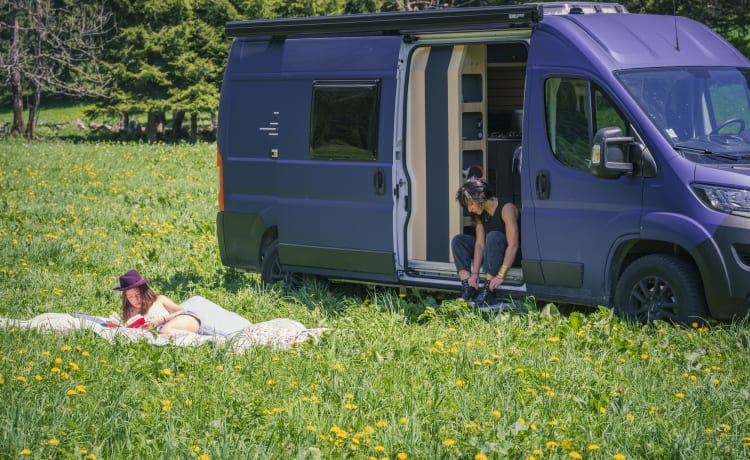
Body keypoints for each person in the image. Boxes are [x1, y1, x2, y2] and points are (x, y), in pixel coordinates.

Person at [113, 269, 251, 337]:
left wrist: (159, 320)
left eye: (137, 295)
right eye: (130, 297)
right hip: (161, 331)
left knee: (166, 331)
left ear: (144, 291)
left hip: (179, 320)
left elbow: (182, 310)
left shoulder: (159, 300)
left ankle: (208, 341)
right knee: (164, 333)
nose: (135, 300)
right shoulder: (129, 312)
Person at [451, 177, 520, 309]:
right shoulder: (480, 213)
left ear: (481, 196)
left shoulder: (506, 208)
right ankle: (469, 287)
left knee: (493, 236)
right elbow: (480, 244)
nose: (470, 209)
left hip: (509, 255)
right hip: (490, 251)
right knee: (458, 241)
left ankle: (488, 291)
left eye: (471, 204)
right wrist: (475, 275)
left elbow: (513, 244)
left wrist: (501, 276)